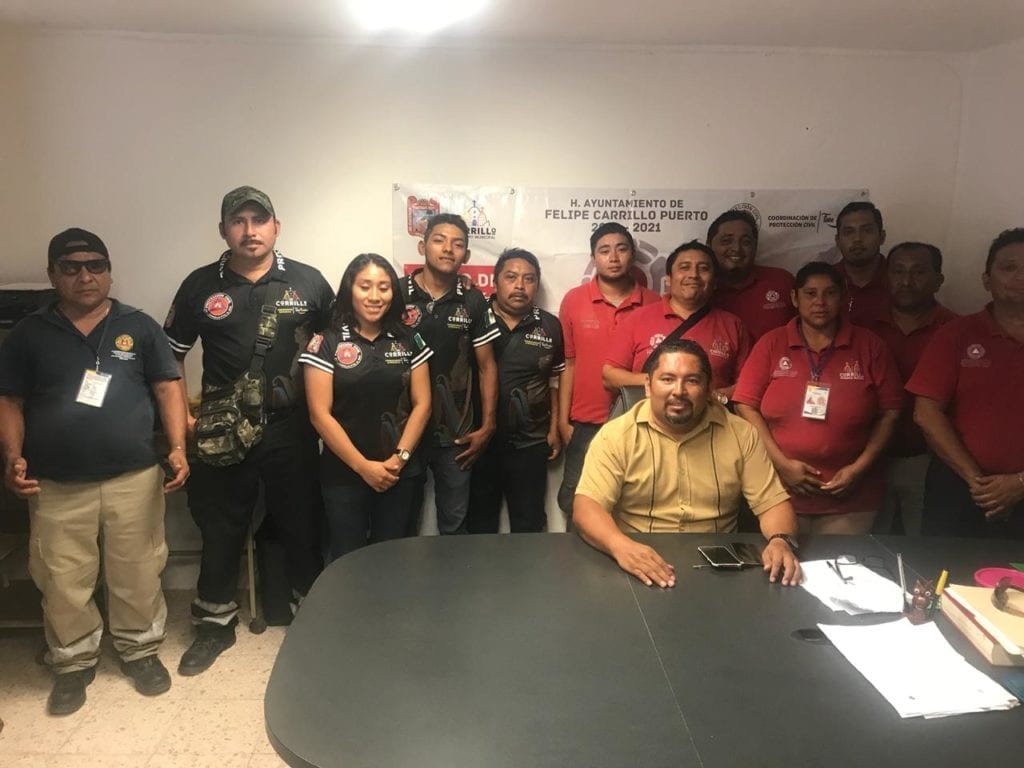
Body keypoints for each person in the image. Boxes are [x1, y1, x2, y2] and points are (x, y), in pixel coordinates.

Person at [0, 228, 189, 715]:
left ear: (109, 272)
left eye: (96, 266)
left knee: (138, 570)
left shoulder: (138, 326)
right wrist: (13, 457)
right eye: (71, 267)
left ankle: (139, 650)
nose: (85, 276)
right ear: (52, 275)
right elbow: (10, 399)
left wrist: (178, 448)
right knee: (63, 578)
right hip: (55, 481)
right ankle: (73, 662)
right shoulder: (28, 334)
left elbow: (168, 387)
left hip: (133, 477)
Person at [164, 186, 334, 675]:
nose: (250, 230)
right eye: (238, 221)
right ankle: (214, 626)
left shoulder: (309, 282)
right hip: (224, 431)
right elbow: (168, 359)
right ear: (223, 231)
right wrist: (184, 420)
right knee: (221, 529)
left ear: (276, 226)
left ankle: (311, 617)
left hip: (292, 428)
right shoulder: (200, 285)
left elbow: (338, 349)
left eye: (259, 220)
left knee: (302, 525)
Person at [573, 339, 800, 588]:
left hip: (719, 569)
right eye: (667, 379)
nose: (678, 391)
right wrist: (621, 547)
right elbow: (587, 507)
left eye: (692, 381)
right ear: (648, 386)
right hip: (638, 557)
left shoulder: (741, 434)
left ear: (709, 388)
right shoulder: (616, 435)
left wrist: (780, 540)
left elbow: (773, 504)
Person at [733, 262, 904, 535]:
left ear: (843, 297)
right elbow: (745, 405)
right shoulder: (772, 343)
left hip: (851, 496)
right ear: (794, 298)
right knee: (782, 560)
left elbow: (891, 412)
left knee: (840, 563)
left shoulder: (870, 346)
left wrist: (858, 469)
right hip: (778, 492)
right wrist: (781, 464)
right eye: (810, 293)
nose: (820, 302)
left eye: (830, 293)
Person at [302, 254, 432, 558]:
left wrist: (399, 459)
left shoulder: (410, 339)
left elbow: (423, 404)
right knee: (348, 558)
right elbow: (319, 415)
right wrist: (363, 467)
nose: (375, 296)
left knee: (394, 557)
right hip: (344, 474)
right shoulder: (326, 342)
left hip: (398, 472)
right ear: (350, 289)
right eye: (365, 286)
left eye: (384, 287)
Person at [909, 228, 1024, 538]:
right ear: (987, 279)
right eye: (1008, 267)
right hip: (960, 489)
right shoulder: (955, 334)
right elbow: (926, 413)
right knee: (944, 567)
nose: (1020, 277)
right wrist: (978, 483)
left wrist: (1019, 483)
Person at [398, 213, 499, 535]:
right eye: (439, 240)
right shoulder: (395, 294)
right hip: (402, 429)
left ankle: (454, 571)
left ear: (465, 256)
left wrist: (488, 426)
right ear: (422, 246)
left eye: (457, 244)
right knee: (400, 523)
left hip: (456, 434)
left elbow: (487, 366)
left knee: (454, 526)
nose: (447, 249)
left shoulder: (473, 300)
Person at [556, 223, 660, 528]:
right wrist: (563, 421)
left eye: (621, 249)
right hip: (586, 422)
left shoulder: (655, 303)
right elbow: (569, 364)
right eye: (604, 250)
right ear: (594, 258)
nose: (613, 257)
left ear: (632, 255)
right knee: (576, 502)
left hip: (641, 422)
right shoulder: (574, 300)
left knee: (635, 502)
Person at [862, 242, 958, 535]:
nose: (906, 281)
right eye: (898, 271)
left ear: (938, 279)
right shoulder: (863, 328)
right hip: (867, 459)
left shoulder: (955, 330)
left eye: (918, 272)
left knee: (925, 543)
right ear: (886, 277)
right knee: (870, 545)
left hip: (928, 460)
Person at [467, 249, 565, 533]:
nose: (520, 285)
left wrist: (555, 428)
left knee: (529, 524)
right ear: (495, 282)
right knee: (479, 527)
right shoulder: (475, 318)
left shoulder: (549, 325)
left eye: (529, 279)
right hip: (479, 442)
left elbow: (554, 380)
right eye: (511, 277)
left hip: (530, 442)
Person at [602, 240, 750, 403]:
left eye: (703, 268)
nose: (693, 275)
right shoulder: (638, 318)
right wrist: (661, 381)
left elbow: (748, 384)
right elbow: (609, 376)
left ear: (715, 281)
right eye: (684, 267)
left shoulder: (733, 325)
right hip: (648, 417)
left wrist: (717, 396)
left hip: (712, 416)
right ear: (668, 279)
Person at [707, 209, 795, 340]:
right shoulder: (700, 290)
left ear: (755, 247)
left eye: (746, 242)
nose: (737, 248)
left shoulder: (782, 281)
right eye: (726, 241)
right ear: (709, 246)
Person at [834, 201, 890, 325]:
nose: (857, 239)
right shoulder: (826, 281)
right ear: (837, 241)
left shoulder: (901, 280)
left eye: (867, 230)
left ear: (882, 236)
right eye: (848, 232)